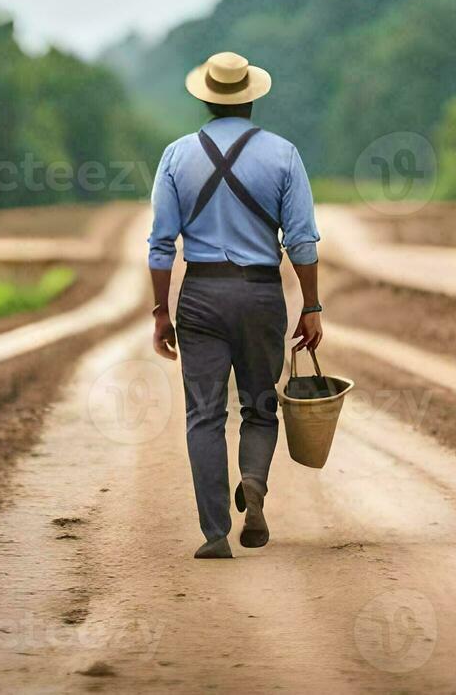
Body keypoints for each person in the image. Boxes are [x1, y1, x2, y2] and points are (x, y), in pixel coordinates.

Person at [147, 51, 323, 560]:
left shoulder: (176, 155)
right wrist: (312, 305)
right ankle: (254, 483)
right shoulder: (284, 154)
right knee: (260, 403)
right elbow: (303, 242)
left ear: (205, 97)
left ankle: (215, 534)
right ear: (252, 97)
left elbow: (161, 244)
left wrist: (161, 310)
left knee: (203, 415)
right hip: (260, 293)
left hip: (200, 296)